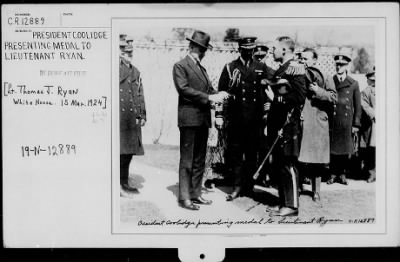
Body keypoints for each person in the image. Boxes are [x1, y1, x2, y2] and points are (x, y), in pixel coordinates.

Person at [172, 30, 229, 210]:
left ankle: (196, 194)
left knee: (199, 160)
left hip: (203, 120)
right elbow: (184, 89)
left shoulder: (201, 69)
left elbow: (209, 89)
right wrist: (209, 98)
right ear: (194, 47)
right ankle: (184, 197)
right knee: (187, 160)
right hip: (189, 120)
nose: (204, 53)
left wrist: (219, 94)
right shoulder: (180, 66)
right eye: (202, 49)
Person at [218, 36, 275, 201]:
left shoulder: (261, 67)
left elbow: (275, 80)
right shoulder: (230, 68)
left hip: (255, 120)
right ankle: (236, 187)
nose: (250, 52)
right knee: (235, 155)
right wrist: (220, 116)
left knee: (252, 155)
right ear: (240, 49)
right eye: (246, 49)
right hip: (236, 119)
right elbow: (221, 93)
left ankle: (249, 187)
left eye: (252, 49)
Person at [265, 36, 307, 216]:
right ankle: (283, 202)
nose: (271, 51)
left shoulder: (295, 68)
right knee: (280, 163)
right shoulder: (282, 69)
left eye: (274, 48)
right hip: (278, 125)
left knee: (288, 163)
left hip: (288, 125)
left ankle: (292, 206)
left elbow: (299, 97)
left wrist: (276, 99)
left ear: (284, 50)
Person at [298, 48, 337, 202]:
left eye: (306, 59)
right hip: (302, 121)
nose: (304, 61)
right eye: (302, 58)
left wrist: (318, 90)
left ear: (315, 60)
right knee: (300, 156)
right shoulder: (298, 76)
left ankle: (316, 191)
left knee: (317, 159)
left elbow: (334, 98)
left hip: (318, 122)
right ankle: (299, 187)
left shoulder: (325, 76)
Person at [119, 37, 147, 197]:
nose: (128, 53)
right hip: (121, 117)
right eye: (124, 50)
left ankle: (124, 182)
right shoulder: (116, 68)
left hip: (132, 118)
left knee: (128, 153)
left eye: (130, 51)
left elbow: (139, 93)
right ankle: (118, 184)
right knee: (120, 152)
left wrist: (142, 113)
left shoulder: (135, 71)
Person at [328, 54, 361, 185]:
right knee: (333, 149)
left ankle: (342, 174)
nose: (338, 67)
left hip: (346, 122)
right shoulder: (330, 81)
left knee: (344, 149)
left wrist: (356, 124)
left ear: (346, 66)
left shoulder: (353, 83)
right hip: (333, 120)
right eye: (337, 64)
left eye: (341, 65)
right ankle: (332, 174)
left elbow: (357, 106)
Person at [360, 67, 376, 183]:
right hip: (374, 123)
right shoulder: (367, 91)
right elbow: (364, 104)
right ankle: (371, 172)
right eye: (372, 80)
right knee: (372, 150)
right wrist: (373, 114)